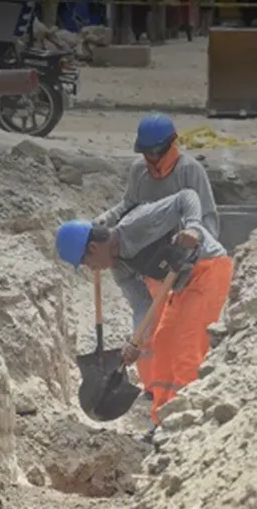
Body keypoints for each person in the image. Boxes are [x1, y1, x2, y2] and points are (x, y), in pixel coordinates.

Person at [57, 189, 233, 432]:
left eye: (87, 263)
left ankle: (185, 424)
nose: (91, 269)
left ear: (94, 248)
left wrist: (193, 227)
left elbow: (187, 197)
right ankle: (162, 421)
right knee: (162, 342)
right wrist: (137, 341)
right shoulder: (120, 268)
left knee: (187, 348)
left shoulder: (137, 224)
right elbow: (142, 305)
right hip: (181, 285)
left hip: (208, 270)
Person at [93, 112, 220, 394]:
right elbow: (128, 205)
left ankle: (186, 391)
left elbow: (208, 216)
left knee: (185, 331)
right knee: (151, 331)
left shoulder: (189, 171)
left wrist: (199, 250)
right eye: (146, 153)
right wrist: (104, 221)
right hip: (154, 263)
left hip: (185, 261)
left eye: (156, 153)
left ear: (170, 146)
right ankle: (155, 390)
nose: (151, 159)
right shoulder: (139, 171)